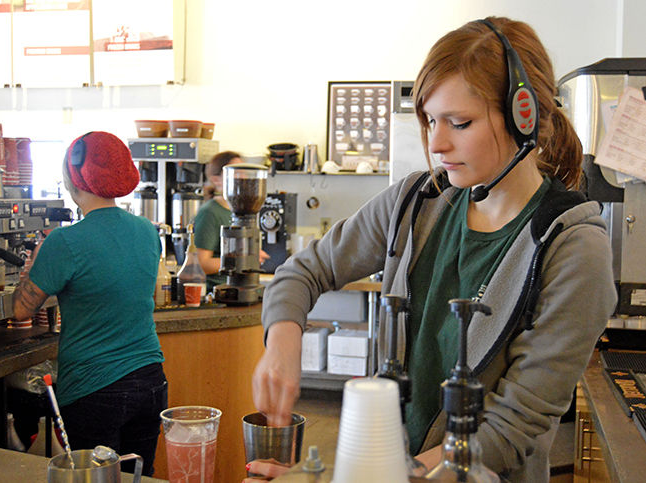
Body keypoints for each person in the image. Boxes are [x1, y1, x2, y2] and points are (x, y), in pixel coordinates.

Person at [248, 16, 617, 482]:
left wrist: (371, 475)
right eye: (429, 121)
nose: (438, 143)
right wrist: (283, 342)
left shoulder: (572, 247)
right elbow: (305, 270)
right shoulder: (416, 201)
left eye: (459, 123)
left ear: (525, 115)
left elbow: (509, 429)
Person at [12, 131, 167, 476]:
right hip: (150, 381)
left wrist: (35, 262)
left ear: (72, 175)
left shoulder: (64, 242)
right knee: (139, 476)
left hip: (94, 389)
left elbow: (21, 310)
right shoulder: (146, 231)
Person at [194, 151, 269, 293]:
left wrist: (249, 256)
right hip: (219, 291)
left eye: (244, 172)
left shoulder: (243, 211)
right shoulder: (210, 212)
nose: (244, 178)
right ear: (217, 180)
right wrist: (243, 259)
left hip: (244, 288)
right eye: (237, 173)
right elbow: (201, 264)